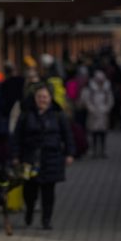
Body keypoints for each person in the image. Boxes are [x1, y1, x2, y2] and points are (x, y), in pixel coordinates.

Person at [11, 84, 75, 230]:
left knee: (48, 192)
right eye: (39, 97)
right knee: (29, 191)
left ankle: (46, 220)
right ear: (35, 98)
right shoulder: (26, 114)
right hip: (30, 158)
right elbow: (17, 137)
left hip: (51, 158)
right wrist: (15, 155)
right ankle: (29, 212)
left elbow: (68, 135)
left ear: (50, 98)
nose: (42, 100)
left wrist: (70, 153)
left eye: (45, 97)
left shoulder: (58, 114)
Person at [80, 70, 114, 158]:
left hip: (103, 114)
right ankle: (95, 151)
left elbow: (110, 100)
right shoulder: (91, 89)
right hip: (93, 114)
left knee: (103, 133)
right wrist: (92, 109)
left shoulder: (107, 89)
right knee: (94, 133)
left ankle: (103, 150)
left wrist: (106, 108)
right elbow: (86, 100)